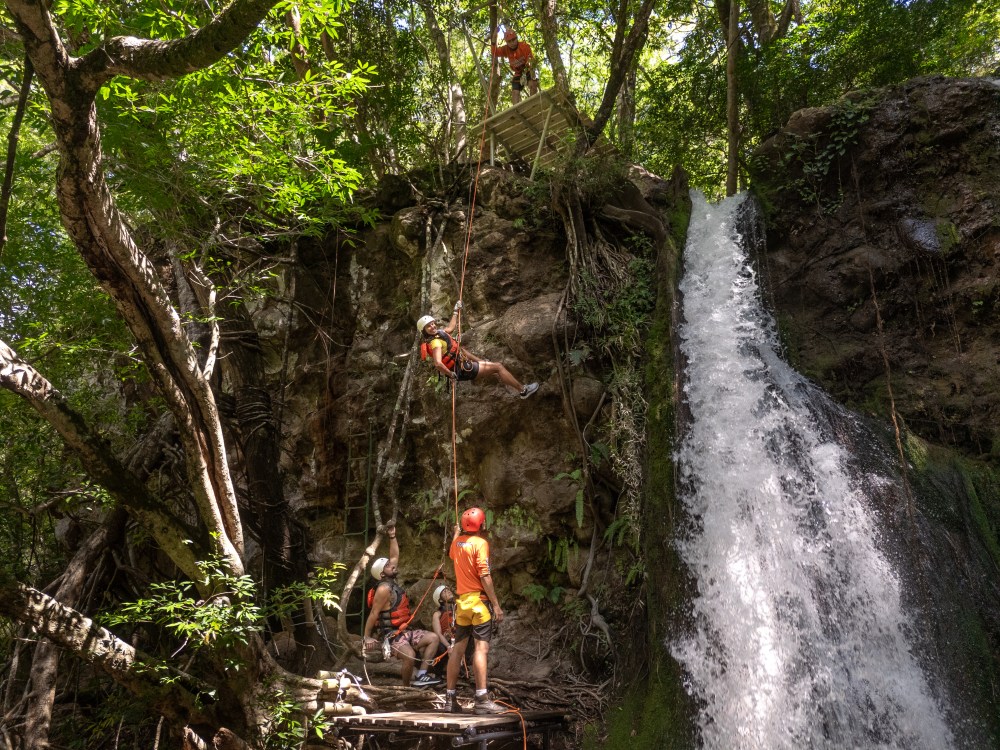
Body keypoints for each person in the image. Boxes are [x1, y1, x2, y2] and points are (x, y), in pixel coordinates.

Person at [363, 523, 442, 688]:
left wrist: (392, 536)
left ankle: (421, 675)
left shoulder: (391, 580)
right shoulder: (383, 589)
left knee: (433, 638)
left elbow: (394, 556)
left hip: (406, 632)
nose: (393, 565)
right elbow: (373, 614)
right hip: (391, 636)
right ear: (382, 573)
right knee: (410, 654)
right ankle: (405, 689)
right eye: (388, 566)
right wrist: (367, 636)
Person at [443, 507, 506, 715]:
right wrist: (496, 605)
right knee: (481, 650)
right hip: (479, 604)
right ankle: (481, 699)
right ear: (482, 525)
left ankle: (450, 700)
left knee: (458, 650)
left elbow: (453, 553)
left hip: (462, 604)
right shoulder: (481, 544)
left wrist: (455, 533)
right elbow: (485, 575)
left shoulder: (458, 542)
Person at [417, 300, 539, 399]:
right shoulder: (436, 342)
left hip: (463, 364)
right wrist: (450, 374)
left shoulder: (439, 334)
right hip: (461, 370)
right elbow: (438, 363)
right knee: (498, 367)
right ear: (424, 330)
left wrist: (455, 311)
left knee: (486, 364)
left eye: (433, 323)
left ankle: (507, 381)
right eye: (429, 326)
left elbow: (450, 328)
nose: (432, 326)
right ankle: (523, 390)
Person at [431, 584, 475, 680]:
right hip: (446, 642)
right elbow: (438, 634)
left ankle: (464, 668)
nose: (448, 591)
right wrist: (448, 646)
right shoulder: (437, 614)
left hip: (459, 639)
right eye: (444, 592)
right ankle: (439, 674)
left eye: (448, 589)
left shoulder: (459, 607)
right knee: (439, 646)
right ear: (440, 600)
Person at [491, 28, 539, 105]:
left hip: (528, 69)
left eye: (513, 40)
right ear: (506, 42)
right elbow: (494, 52)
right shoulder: (506, 49)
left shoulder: (524, 46)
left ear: (516, 38)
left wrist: (531, 75)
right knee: (515, 93)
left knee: (532, 84)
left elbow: (531, 61)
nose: (512, 43)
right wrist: (494, 35)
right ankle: (516, 111)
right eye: (509, 41)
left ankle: (533, 105)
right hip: (518, 72)